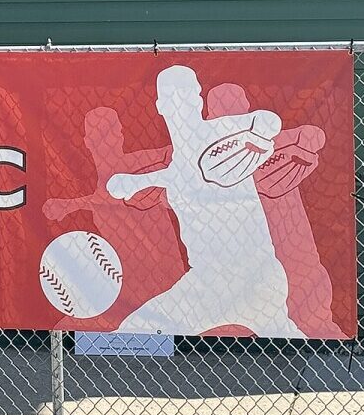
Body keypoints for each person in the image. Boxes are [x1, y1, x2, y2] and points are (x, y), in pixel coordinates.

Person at [106, 65, 303, 338]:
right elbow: (179, 174)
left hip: (254, 275)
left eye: (188, 94)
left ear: (199, 99)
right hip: (214, 284)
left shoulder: (221, 132)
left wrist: (258, 132)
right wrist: (136, 182)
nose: (182, 102)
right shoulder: (177, 165)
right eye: (174, 96)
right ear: (160, 105)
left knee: (134, 331)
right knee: (132, 332)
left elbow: (268, 121)